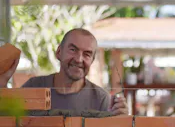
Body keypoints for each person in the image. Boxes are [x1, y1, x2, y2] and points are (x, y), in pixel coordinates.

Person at [0, 28, 128, 115]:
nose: (78, 59)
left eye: (87, 54)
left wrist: (122, 122)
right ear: (59, 52)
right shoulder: (34, 86)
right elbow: (8, 119)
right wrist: (2, 83)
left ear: (92, 60)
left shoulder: (101, 99)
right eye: (73, 50)